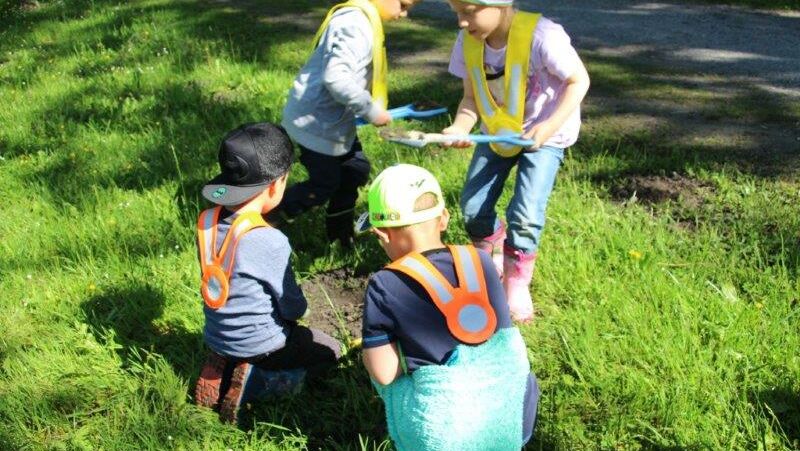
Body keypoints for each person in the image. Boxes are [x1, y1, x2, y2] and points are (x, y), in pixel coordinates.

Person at [358, 164, 539, 450]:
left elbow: (385, 373)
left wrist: (367, 356)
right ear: (443, 218)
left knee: (383, 371)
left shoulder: (385, 283)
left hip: (446, 435)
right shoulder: (480, 261)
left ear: (382, 234)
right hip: (515, 419)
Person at [441, 0, 590, 321]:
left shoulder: (543, 36)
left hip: (545, 136)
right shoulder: (468, 41)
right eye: (456, 13)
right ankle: (493, 253)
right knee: (472, 207)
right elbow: (470, 98)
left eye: (468, 11)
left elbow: (580, 81)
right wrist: (460, 126)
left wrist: (548, 126)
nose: (462, 22)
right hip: (497, 132)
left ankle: (517, 281)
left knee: (525, 212)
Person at [193, 123, 342, 424]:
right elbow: (291, 306)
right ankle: (257, 381)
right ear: (275, 186)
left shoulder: (206, 222)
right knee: (330, 350)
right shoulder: (269, 240)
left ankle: (225, 361)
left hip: (217, 334)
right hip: (262, 343)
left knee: (242, 332)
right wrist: (300, 313)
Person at [279, 0, 420, 246]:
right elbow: (337, 79)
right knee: (325, 182)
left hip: (331, 122)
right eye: (403, 4)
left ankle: (340, 235)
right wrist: (371, 110)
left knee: (354, 170)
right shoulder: (355, 25)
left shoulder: (362, 20)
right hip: (314, 122)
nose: (404, 14)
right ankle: (272, 216)